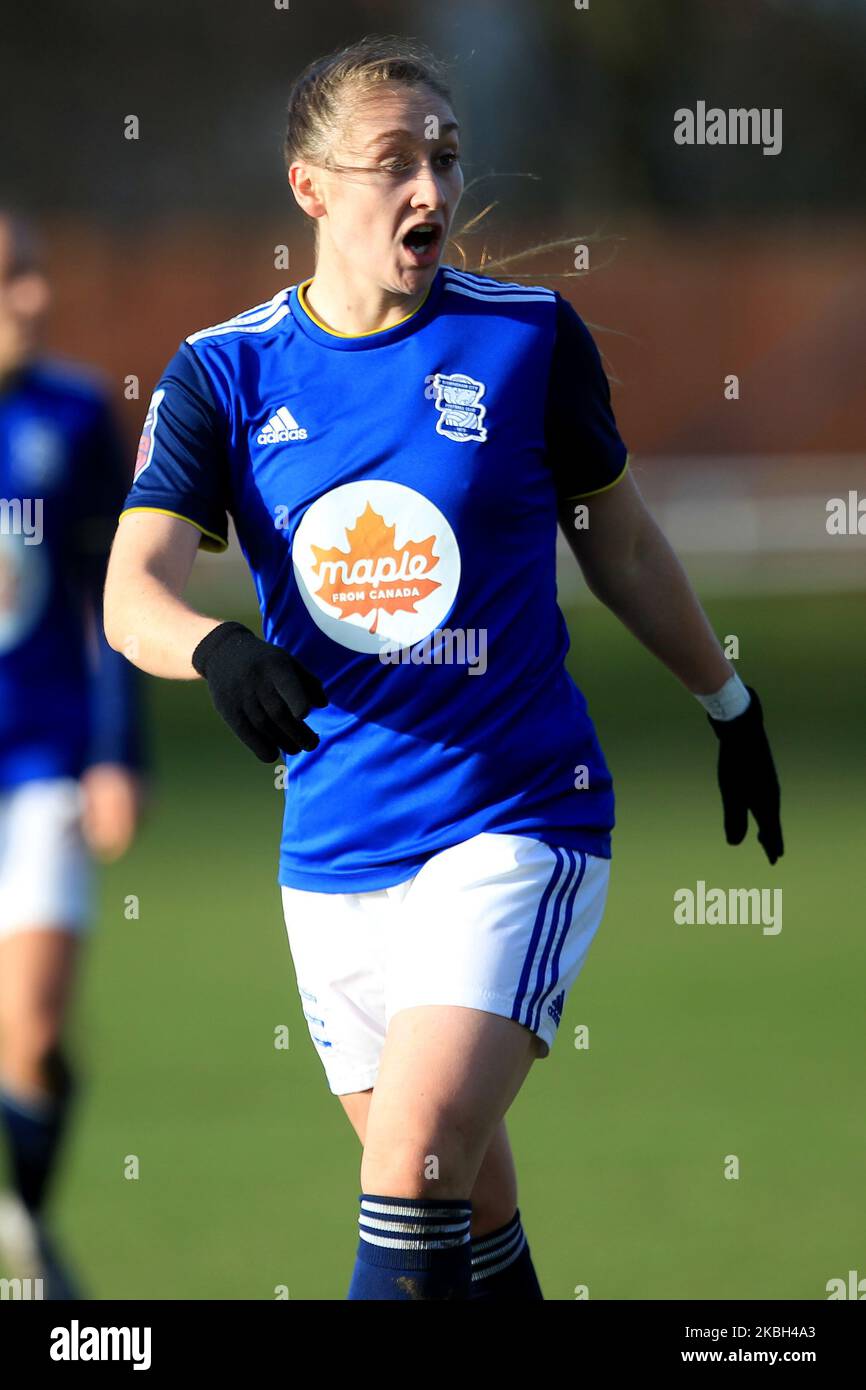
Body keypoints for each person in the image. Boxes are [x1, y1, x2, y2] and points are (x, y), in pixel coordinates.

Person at [103, 36, 782, 1301]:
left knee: (408, 1172)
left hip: (516, 815)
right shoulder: (223, 372)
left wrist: (726, 700)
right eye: (394, 162)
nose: (431, 188)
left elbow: (619, 544)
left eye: (446, 158)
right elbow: (129, 596)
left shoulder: (528, 340)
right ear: (310, 189)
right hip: (334, 847)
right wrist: (216, 646)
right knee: (468, 1206)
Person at [0, 209, 147, 1297]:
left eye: (35, 275)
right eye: (10, 281)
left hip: (46, 762)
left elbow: (119, 593)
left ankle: (25, 1226)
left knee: (34, 1026)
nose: (34, 299)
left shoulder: (78, 414)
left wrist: (114, 753)